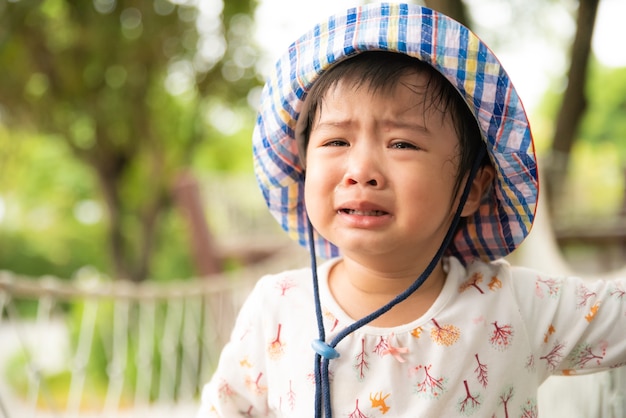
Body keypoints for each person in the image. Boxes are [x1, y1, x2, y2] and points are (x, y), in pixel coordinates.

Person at [198, 3, 626, 417]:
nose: (361, 171)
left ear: (474, 188)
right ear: (303, 166)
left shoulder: (515, 307)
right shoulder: (276, 309)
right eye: (336, 142)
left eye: (402, 144)